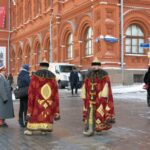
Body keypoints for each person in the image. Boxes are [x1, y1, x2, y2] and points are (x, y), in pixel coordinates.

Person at [24, 59, 60, 135]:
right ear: (48, 67)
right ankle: (45, 128)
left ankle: (30, 129)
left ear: (40, 66)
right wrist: (56, 110)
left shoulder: (35, 76)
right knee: (46, 114)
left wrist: (30, 108)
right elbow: (55, 94)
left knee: (35, 114)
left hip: (37, 101)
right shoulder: (53, 77)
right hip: (48, 102)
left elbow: (31, 91)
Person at [81, 57, 115, 136]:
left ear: (99, 66)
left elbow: (106, 86)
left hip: (100, 98)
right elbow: (85, 85)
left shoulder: (104, 75)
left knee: (100, 113)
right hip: (90, 98)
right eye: (93, 65)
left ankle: (98, 127)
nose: (95, 67)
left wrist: (103, 96)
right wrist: (84, 94)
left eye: (96, 65)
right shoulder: (88, 74)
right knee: (90, 113)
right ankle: (90, 128)